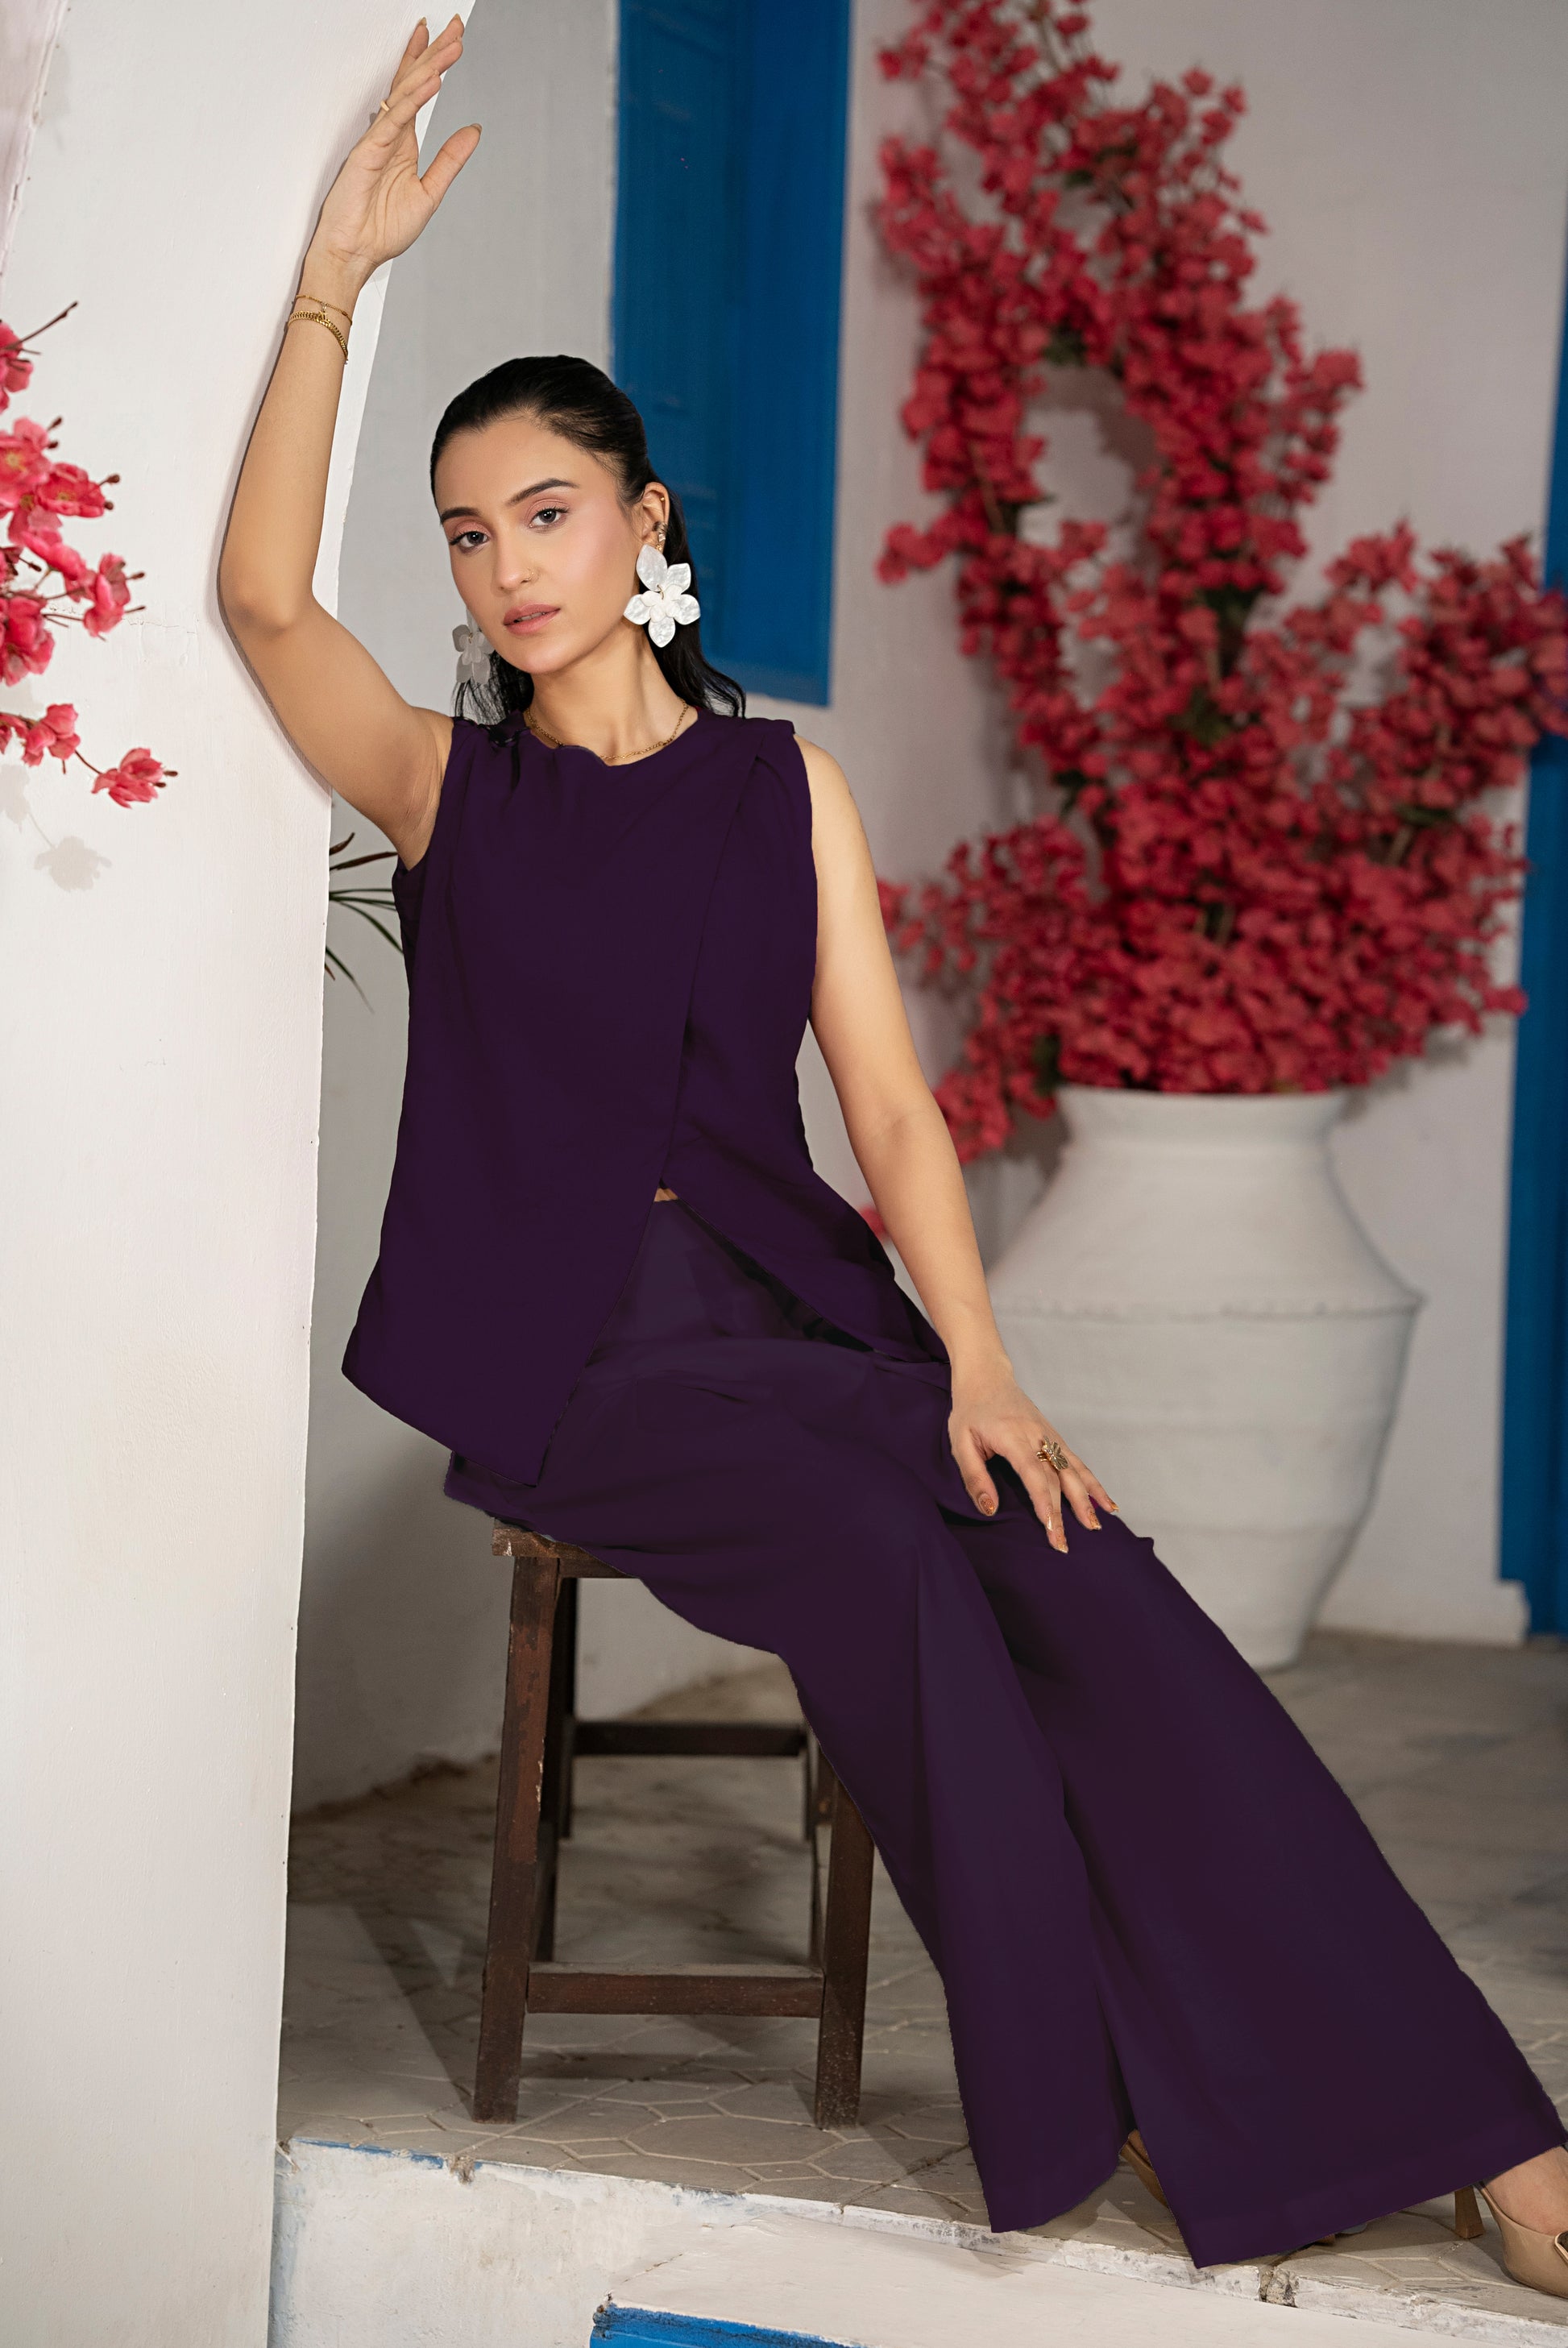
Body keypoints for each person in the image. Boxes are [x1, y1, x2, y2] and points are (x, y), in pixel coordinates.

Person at [218, 15, 1568, 2293]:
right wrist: (334, 288)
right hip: (579, 1372)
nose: (504, 566)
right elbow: (264, 604)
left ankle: (1486, 2136)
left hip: (797, 1318)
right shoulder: (459, 793)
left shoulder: (778, 793)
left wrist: (986, 1363)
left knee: (1096, 1576)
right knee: (891, 1554)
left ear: (640, 523)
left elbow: (893, 1115)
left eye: (545, 510)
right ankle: (1115, 2098)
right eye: (467, 534)